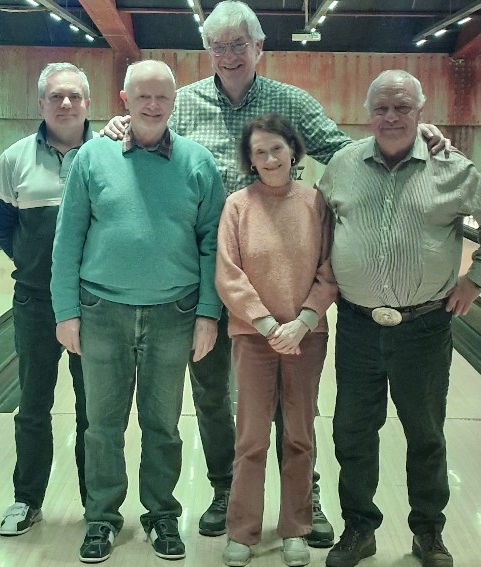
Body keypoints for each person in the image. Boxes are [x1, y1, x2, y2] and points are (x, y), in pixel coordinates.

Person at [102, 0, 448, 546]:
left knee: (295, 403)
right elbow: (144, 139)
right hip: (211, 276)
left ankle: (303, 496)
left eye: (239, 44)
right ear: (208, 50)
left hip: (285, 283)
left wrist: (414, 134)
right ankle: (226, 490)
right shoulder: (182, 104)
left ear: (259, 47)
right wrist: (118, 123)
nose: (229, 55)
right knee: (213, 395)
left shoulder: (292, 102)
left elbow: (351, 154)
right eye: (218, 46)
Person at [50, 60, 225, 564]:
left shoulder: (197, 162)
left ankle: (162, 514)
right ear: (125, 99)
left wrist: (208, 314)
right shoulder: (92, 156)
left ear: (174, 101)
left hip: (175, 312)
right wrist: (66, 311)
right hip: (101, 311)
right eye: (143, 96)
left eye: (162, 97)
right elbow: (68, 239)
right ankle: (102, 518)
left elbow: (212, 245)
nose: (153, 105)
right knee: (102, 425)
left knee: (163, 425)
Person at [319, 69, 481, 567]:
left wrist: (475, 280)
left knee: (426, 434)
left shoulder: (453, 168)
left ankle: (428, 533)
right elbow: (321, 227)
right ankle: (359, 529)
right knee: (352, 431)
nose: (391, 117)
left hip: (425, 329)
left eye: (402, 107)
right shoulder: (342, 165)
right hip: (357, 326)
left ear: (420, 111)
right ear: (368, 113)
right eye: (382, 108)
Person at [215, 113, 337, 567]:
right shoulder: (237, 205)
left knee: (299, 436)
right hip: (254, 338)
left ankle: (295, 529)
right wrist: (267, 324)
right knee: (251, 438)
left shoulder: (315, 203)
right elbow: (228, 274)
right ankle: (242, 532)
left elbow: (329, 269)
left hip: (306, 336)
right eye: (260, 152)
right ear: (250, 159)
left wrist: (304, 320)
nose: (269, 158)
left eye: (277, 149)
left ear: (293, 150)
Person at [0, 62, 92, 536]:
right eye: (55, 96)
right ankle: (27, 500)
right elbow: (0, 223)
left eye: (73, 95)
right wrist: (32, 263)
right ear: (40, 103)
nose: (64, 103)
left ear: (87, 102)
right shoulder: (13, 160)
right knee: (32, 407)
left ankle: (97, 506)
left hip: (93, 305)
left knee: (94, 412)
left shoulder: (109, 153)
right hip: (34, 303)